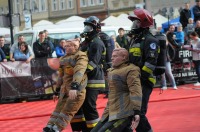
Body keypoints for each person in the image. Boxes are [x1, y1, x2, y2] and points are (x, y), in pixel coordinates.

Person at [91, 48, 142, 132]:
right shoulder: (112, 70)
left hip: (123, 113)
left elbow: (135, 91)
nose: (111, 58)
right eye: (112, 56)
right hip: (110, 112)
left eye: (115, 56)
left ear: (124, 57)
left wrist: (136, 111)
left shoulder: (131, 70)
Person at [43, 39, 88, 132]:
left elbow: (79, 71)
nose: (66, 48)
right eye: (65, 46)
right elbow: (61, 76)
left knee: (67, 111)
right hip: (65, 89)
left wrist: (75, 86)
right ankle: (49, 126)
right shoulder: (63, 58)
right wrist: (57, 90)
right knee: (58, 110)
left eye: (68, 46)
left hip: (76, 90)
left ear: (75, 46)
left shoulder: (81, 56)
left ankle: (56, 129)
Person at [128, 8, 159, 132]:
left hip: (145, 81)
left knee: (139, 112)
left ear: (144, 24)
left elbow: (150, 63)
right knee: (132, 111)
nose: (134, 25)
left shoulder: (150, 40)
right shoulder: (135, 40)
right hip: (135, 81)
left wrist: (140, 78)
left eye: (136, 22)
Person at [78, 16, 106, 131]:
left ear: (96, 28)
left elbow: (93, 62)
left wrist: (81, 73)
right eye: (86, 26)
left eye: (89, 27)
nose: (86, 29)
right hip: (85, 79)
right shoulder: (86, 42)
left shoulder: (97, 43)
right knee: (83, 106)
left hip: (94, 79)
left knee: (90, 106)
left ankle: (96, 130)